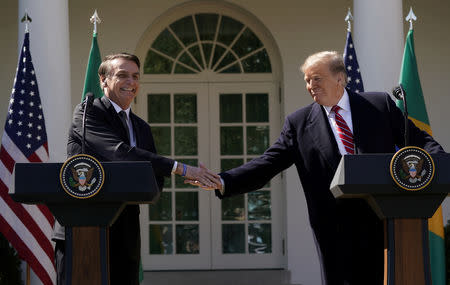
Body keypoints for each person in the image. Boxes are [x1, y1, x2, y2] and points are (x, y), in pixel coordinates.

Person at [187, 51, 444, 284]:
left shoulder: (379, 106)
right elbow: (267, 163)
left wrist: (441, 163)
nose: (311, 86)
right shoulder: (299, 124)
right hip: (334, 227)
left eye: (317, 79)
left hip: (384, 221)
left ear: (340, 78)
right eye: (307, 81)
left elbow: (419, 140)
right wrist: (223, 180)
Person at [53, 52, 220, 285]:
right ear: (103, 80)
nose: (131, 82)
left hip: (126, 233)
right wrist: (180, 168)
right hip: (82, 229)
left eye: (136, 76)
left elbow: (154, 179)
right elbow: (118, 152)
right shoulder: (88, 113)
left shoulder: (142, 127)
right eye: (122, 75)